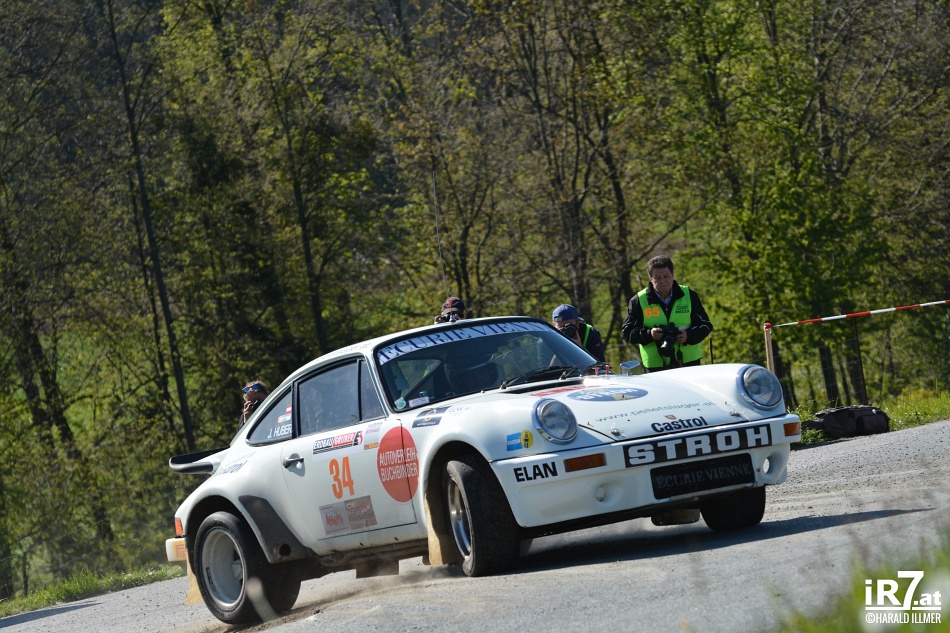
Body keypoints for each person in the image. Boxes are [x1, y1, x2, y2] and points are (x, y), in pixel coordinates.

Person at [622, 255, 712, 372]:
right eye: (657, 278)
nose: (663, 281)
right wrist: (649, 334)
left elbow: (706, 325)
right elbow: (627, 332)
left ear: (673, 274)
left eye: (666, 276)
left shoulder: (689, 295)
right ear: (650, 278)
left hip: (689, 363)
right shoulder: (638, 301)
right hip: (656, 366)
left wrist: (688, 336)